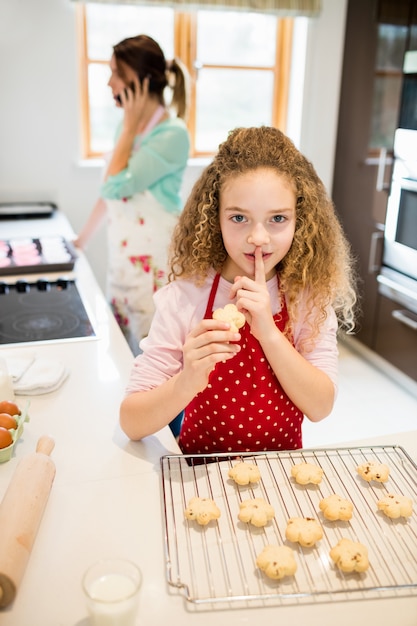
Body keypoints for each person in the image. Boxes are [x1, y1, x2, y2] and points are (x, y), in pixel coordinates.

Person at [120, 126, 358, 455]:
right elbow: (132, 422)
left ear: (299, 220)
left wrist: (270, 333)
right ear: (214, 217)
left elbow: (320, 406)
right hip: (200, 482)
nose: (258, 237)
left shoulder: (307, 299)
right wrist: (187, 380)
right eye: (238, 218)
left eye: (277, 218)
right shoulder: (187, 296)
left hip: (280, 478)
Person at [75, 35, 190, 355]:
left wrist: (128, 128)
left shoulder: (172, 134)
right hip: (123, 263)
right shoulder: (124, 128)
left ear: (140, 81)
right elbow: (108, 195)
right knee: (123, 355)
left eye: (116, 74)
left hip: (154, 269)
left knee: (154, 361)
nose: (109, 82)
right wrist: (80, 241)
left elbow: (116, 185)